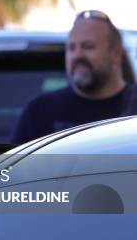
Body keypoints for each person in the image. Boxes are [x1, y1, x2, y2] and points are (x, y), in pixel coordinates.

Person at [11, 10, 135, 144]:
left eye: (88, 47)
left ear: (116, 53)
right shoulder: (39, 112)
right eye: (71, 48)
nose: (77, 55)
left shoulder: (133, 107)